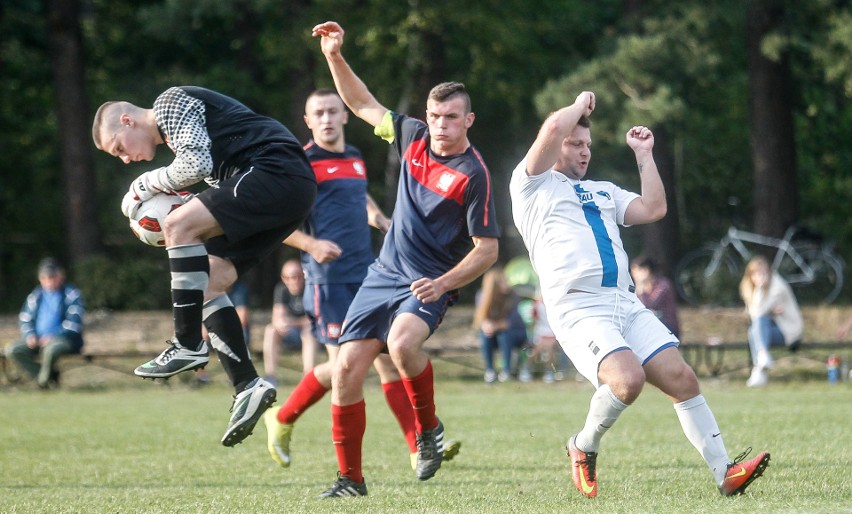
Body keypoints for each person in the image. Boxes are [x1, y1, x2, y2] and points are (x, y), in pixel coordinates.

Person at [508, 91, 769, 498]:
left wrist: (644, 155)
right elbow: (556, 126)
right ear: (554, 143)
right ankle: (583, 445)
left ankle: (726, 473)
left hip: (625, 303)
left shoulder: (603, 190)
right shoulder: (530, 185)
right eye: (575, 144)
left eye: (588, 146)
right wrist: (579, 104)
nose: (583, 152)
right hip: (579, 306)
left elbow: (654, 208)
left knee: (683, 379)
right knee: (627, 381)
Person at [310, 21, 500, 498]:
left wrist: (443, 283)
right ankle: (350, 480)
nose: (441, 124)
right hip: (383, 273)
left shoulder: (473, 174)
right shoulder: (411, 135)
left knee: (400, 345)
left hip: (428, 282)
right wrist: (334, 55)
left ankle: (428, 430)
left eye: (452, 117)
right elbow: (361, 103)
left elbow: (489, 250)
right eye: (436, 115)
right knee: (348, 370)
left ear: (468, 121)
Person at [91, 86, 316, 446]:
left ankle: (187, 342)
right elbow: (204, 169)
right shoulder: (178, 135)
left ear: (128, 120)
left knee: (178, 225)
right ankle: (247, 384)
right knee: (210, 279)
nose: (125, 158)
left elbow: (196, 164)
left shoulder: (169, 102)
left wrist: (143, 185)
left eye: (119, 147)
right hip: (286, 186)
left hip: (275, 170)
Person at [263, 88, 460, 474]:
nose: (326, 118)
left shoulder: (353, 157)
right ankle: (283, 417)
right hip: (328, 281)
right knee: (345, 369)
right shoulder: (301, 163)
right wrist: (311, 244)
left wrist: (378, 218)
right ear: (307, 121)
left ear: (344, 115)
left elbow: (359, 195)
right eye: (318, 113)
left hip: (369, 275)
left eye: (333, 111)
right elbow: (274, 223)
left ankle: (416, 447)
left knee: (386, 363)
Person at [5, 258, 84, 389]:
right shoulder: (35, 296)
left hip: (64, 340)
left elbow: (73, 324)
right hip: (37, 339)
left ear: (61, 276)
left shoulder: (71, 294)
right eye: (45, 278)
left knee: (51, 350)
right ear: (40, 279)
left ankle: (42, 384)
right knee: (13, 349)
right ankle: (50, 376)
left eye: (52, 277)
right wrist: (30, 335)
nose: (49, 282)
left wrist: (53, 336)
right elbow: (25, 319)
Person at [739, 255, 803, 387]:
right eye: (756, 274)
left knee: (758, 324)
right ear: (750, 276)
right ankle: (761, 366)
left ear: (768, 273)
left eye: (763, 273)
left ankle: (759, 367)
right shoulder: (751, 290)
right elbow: (754, 315)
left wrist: (760, 290)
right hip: (770, 329)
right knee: (753, 330)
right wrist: (767, 307)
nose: (760, 277)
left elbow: (759, 313)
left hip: (789, 331)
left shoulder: (777, 286)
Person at [262, 259, 319, 384]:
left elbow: (314, 319)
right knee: (270, 330)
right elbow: (277, 317)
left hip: (310, 333)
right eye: (290, 277)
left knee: (308, 332)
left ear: (303, 276)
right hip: (289, 333)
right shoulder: (281, 289)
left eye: (298, 276)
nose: (295, 281)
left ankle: (308, 377)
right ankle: (270, 377)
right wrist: (281, 323)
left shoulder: (310, 289)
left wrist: (291, 322)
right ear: (284, 278)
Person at [473, 266, 527, 383]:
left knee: (504, 334)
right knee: (485, 335)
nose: (507, 283)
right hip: (495, 335)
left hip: (516, 333)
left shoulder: (513, 296)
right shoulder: (482, 295)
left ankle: (506, 371)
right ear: (494, 285)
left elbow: (510, 322)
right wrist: (486, 325)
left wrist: (494, 326)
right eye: (503, 281)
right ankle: (490, 371)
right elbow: (481, 319)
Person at [630, 255, 681, 338]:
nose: (633, 275)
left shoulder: (663, 285)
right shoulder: (641, 289)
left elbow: (649, 305)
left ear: (645, 271)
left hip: (668, 328)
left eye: (636, 271)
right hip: (652, 327)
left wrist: (639, 287)